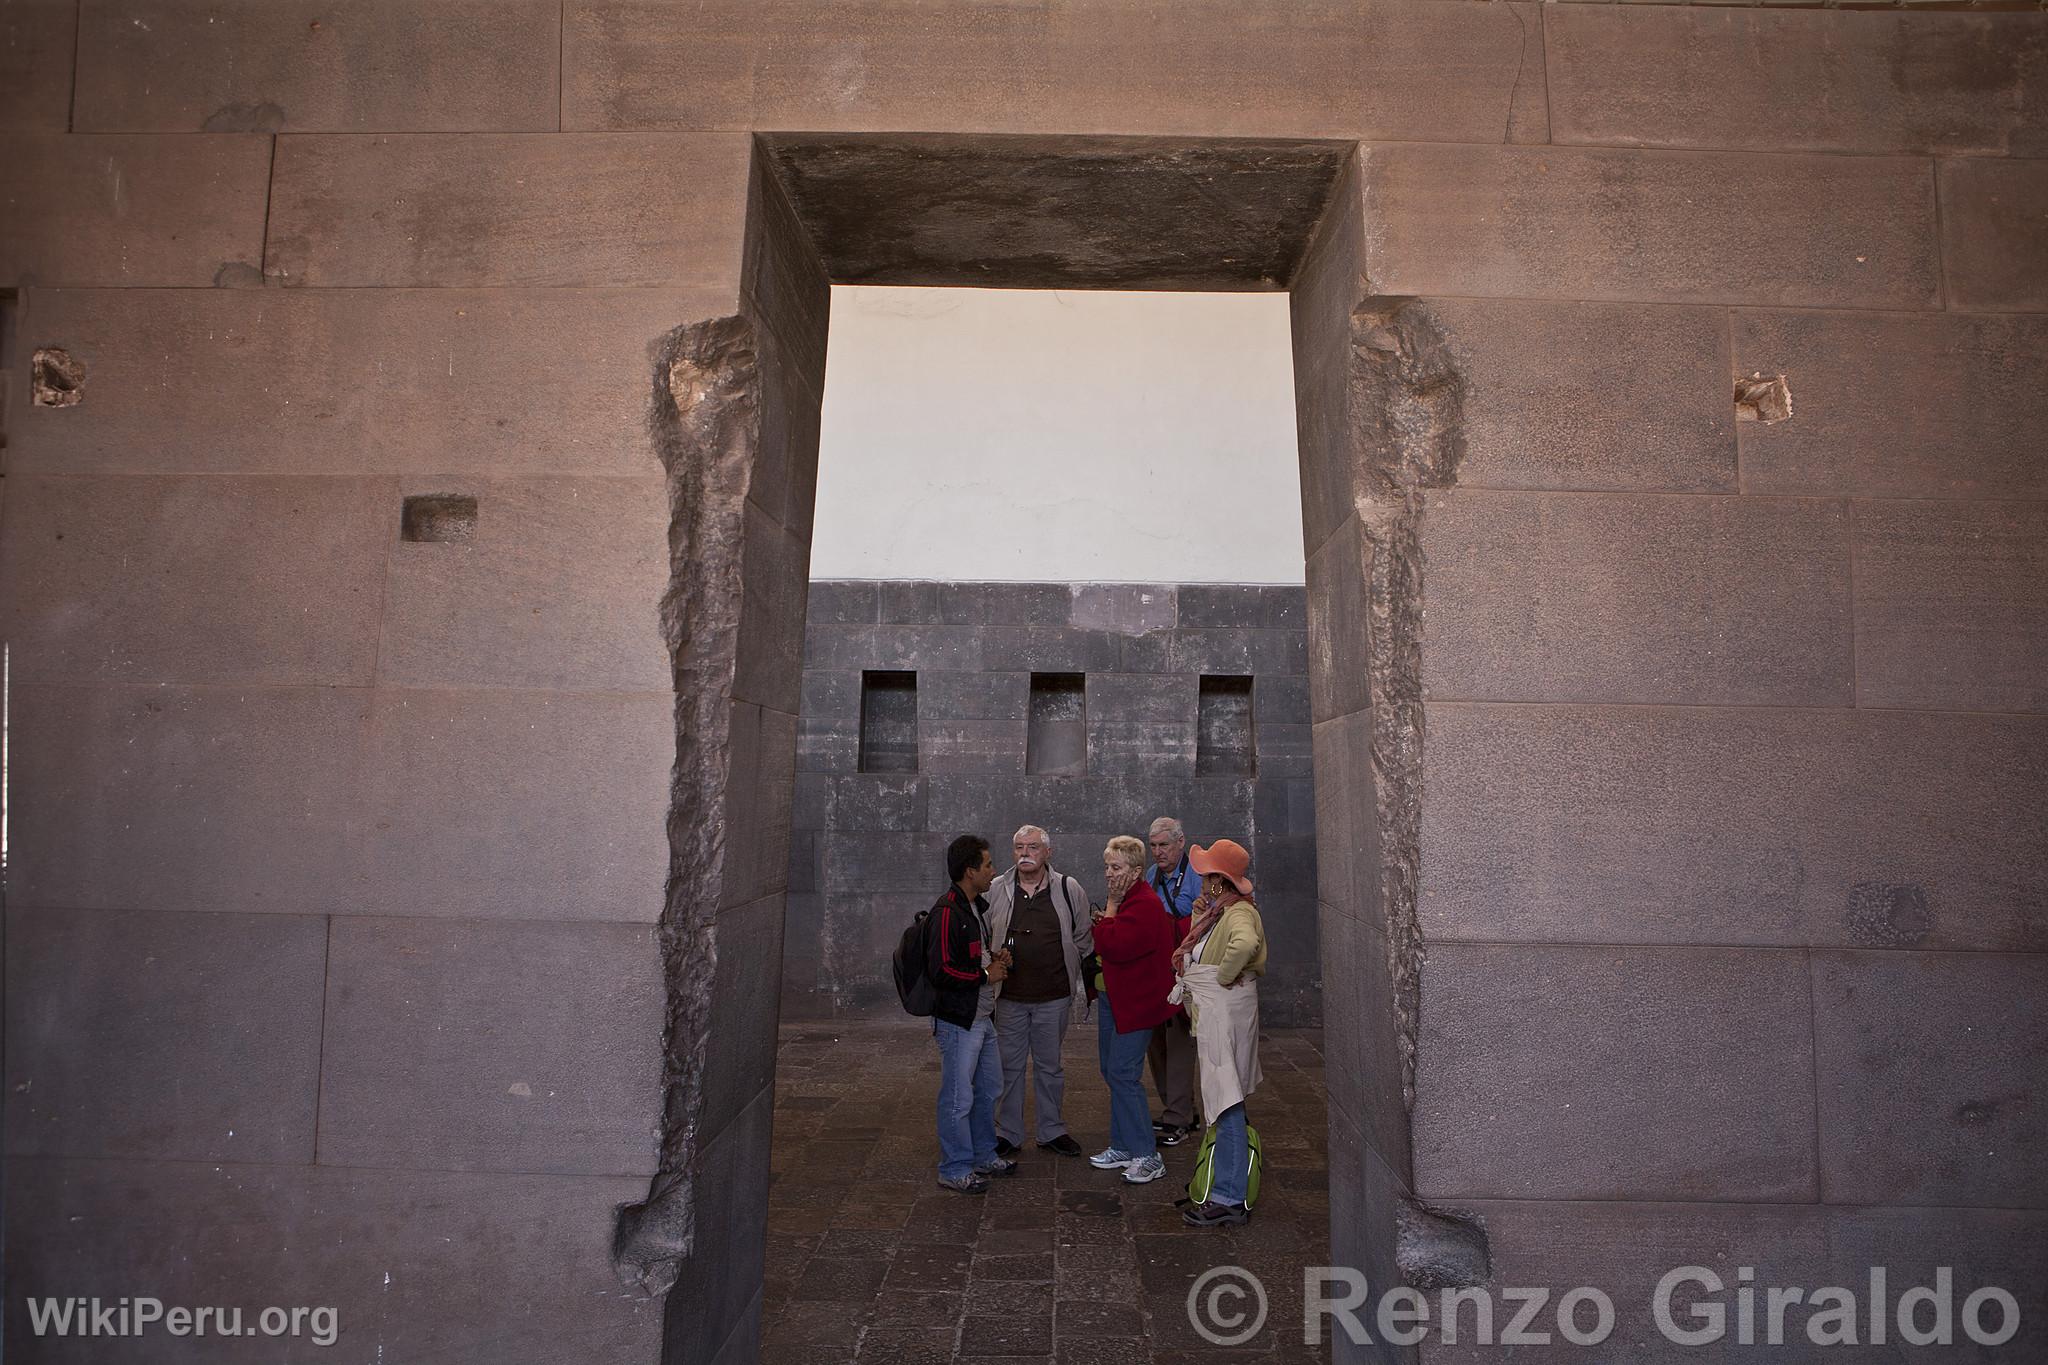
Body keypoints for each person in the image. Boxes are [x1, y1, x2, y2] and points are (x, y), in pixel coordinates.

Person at [1173, 839, 1267, 1227]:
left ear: (1218, 881)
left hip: (1224, 1014)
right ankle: (1226, 1191)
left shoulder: (1238, 913)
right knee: (1225, 1102)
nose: (1201, 882)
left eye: (1206, 876)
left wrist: (1223, 977)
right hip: (1220, 1014)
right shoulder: (1219, 912)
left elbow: (1245, 943)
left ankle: (1228, 1195)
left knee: (1227, 1104)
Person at [985, 825, 1093, 1159]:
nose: (1024, 854)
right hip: (1010, 997)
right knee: (1009, 1067)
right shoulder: (996, 889)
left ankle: (1052, 1131)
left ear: (1048, 852)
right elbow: (984, 929)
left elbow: (1083, 936)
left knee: (1050, 1066)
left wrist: (1070, 965)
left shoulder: (1067, 888)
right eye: (1019, 847)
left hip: (1053, 996)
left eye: (1032, 847)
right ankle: (1008, 1133)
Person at [1086, 835, 1180, 1185]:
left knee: (1123, 1074)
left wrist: (1108, 909)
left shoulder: (1142, 904)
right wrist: (1109, 916)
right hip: (1116, 999)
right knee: (1111, 1070)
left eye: (1117, 868)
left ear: (1137, 871)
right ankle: (1123, 1145)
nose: (1110, 875)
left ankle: (1147, 1155)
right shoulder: (1130, 901)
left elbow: (1111, 945)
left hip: (1136, 1004)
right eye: (1107, 867)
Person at [928, 833, 1019, 1193]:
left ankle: (983, 1154)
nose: (993, 872)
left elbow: (969, 957)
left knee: (988, 1088)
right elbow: (941, 971)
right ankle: (954, 1167)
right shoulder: (947, 913)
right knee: (957, 1097)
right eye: (987, 865)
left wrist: (993, 961)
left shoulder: (975, 908)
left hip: (981, 1017)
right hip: (959, 1021)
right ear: (970, 872)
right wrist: (985, 974)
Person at [1144, 816, 1201, 1145]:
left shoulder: (1196, 875)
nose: (1158, 852)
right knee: (1157, 1043)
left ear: (1181, 843)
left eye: (1164, 845)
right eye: (1153, 846)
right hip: (1156, 968)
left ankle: (1177, 1115)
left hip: (1185, 969)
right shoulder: (1152, 876)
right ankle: (1179, 1109)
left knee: (1179, 1041)